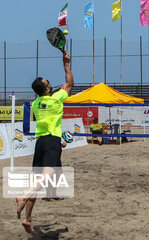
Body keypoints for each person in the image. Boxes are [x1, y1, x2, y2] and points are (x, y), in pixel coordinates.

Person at [16, 50, 74, 235]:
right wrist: (66, 64)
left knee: (37, 180)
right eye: (48, 82)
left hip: (40, 142)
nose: (50, 82)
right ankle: (24, 196)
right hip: (51, 140)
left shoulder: (35, 104)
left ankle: (27, 219)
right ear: (47, 88)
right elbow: (70, 83)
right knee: (50, 172)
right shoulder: (56, 100)